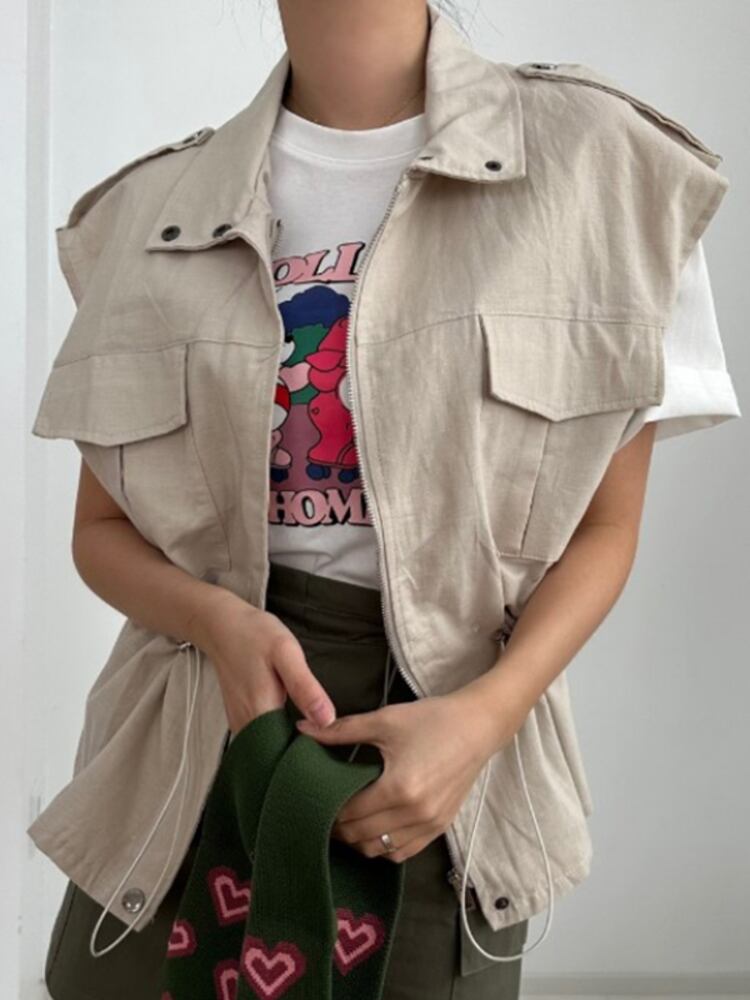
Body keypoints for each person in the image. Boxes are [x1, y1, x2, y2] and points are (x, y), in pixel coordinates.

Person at [30, 1, 740, 998]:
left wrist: (482, 720)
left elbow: (607, 527)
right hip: (190, 741)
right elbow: (101, 532)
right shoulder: (148, 212)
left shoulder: (610, 168)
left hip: (445, 754)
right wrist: (220, 625)